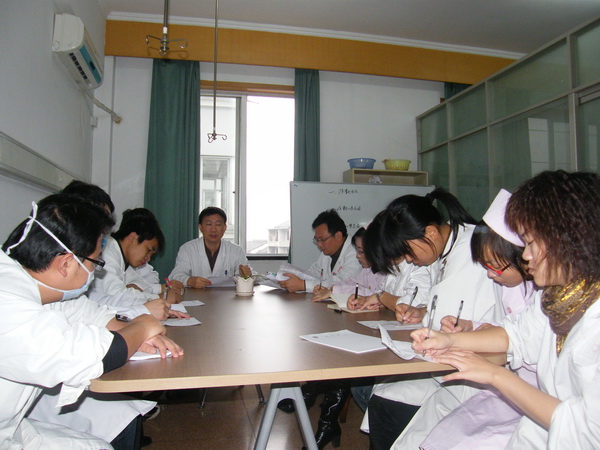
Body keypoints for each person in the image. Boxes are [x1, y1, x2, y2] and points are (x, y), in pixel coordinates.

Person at [413, 170, 600, 448]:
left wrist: (494, 375)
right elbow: (516, 334)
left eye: (532, 242)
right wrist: (449, 340)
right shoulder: (556, 297)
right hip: (543, 428)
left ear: (570, 239)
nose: (525, 255)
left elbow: (585, 429)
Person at [0, 194, 183, 449]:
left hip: (13, 424)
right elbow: (91, 355)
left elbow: (85, 312)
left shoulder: (30, 282)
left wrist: (134, 332)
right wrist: (142, 327)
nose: (95, 272)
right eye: (95, 263)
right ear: (66, 264)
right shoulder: (8, 307)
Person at [394, 188, 538, 449]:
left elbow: (517, 342)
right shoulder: (513, 284)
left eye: (495, 267)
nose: (490, 275)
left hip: (531, 397)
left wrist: (469, 351)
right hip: (511, 385)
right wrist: (464, 331)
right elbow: (511, 333)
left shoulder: (543, 295)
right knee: (432, 432)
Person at [361, 188, 502, 450]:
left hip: (476, 372)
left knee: (391, 406)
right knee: (383, 396)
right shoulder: (443, 250)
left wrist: (432, 320)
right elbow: (448, 310)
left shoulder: (471, 251)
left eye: (409, 253)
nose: (409, 260)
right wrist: (423, 312)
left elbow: (463, 317)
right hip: (448, 360)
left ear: (431, 233)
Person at [89, 208, 187, 321]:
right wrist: (159, 297)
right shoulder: (108, 253)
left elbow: (141, 284)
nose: (148, 258)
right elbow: (118, 298)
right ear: (132, 238)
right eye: (148, 250)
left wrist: (157, 290)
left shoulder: (122, 258)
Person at [279, 209, 362, 293]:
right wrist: (291, 279)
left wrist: (304, 285)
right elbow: (313, 273)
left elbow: (342, 283)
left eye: (322, 239)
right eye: (317, 240)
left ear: (338, 236)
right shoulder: (327, 253)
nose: (319, 244)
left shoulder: (356, 253)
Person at [169, 207, 250, 289]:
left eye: (218, 225)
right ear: (200, 227)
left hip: (226, 296)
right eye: (208, 224)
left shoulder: (236, 251)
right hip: (195, 295)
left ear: (224, 228)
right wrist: (189, 280)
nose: (213, 230)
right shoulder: (187, 249)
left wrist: (246, 276)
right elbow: (175, 276)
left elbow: (252, 276)